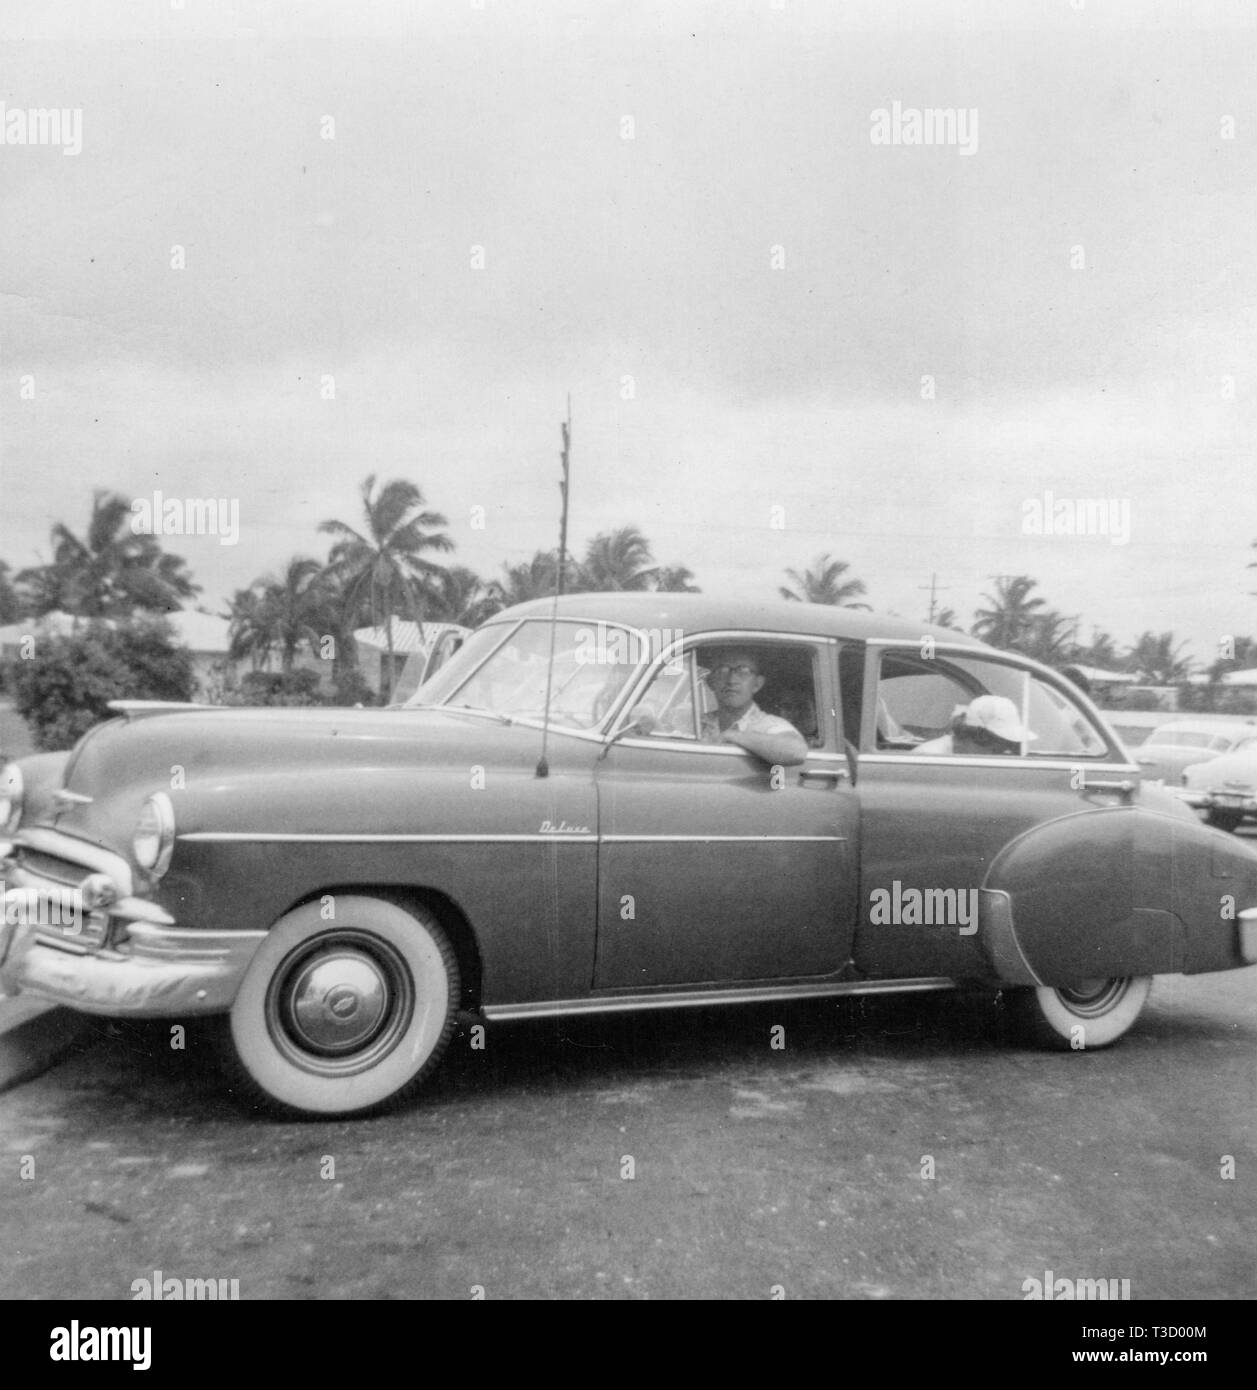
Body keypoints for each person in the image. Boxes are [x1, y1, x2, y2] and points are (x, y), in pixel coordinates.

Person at [699, 649, 809, 766]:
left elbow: (796, 751)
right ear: (711, 682)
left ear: (757, 684)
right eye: (723, 670)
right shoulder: (695, 723)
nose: (731, 680)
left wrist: (732, 735)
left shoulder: (768, 724)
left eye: (743, 671)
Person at [916, 694, 1034, 756]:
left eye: (1006, 745)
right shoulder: (929, 756)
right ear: (972, 735)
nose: (1001, 751)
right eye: (996, 745)